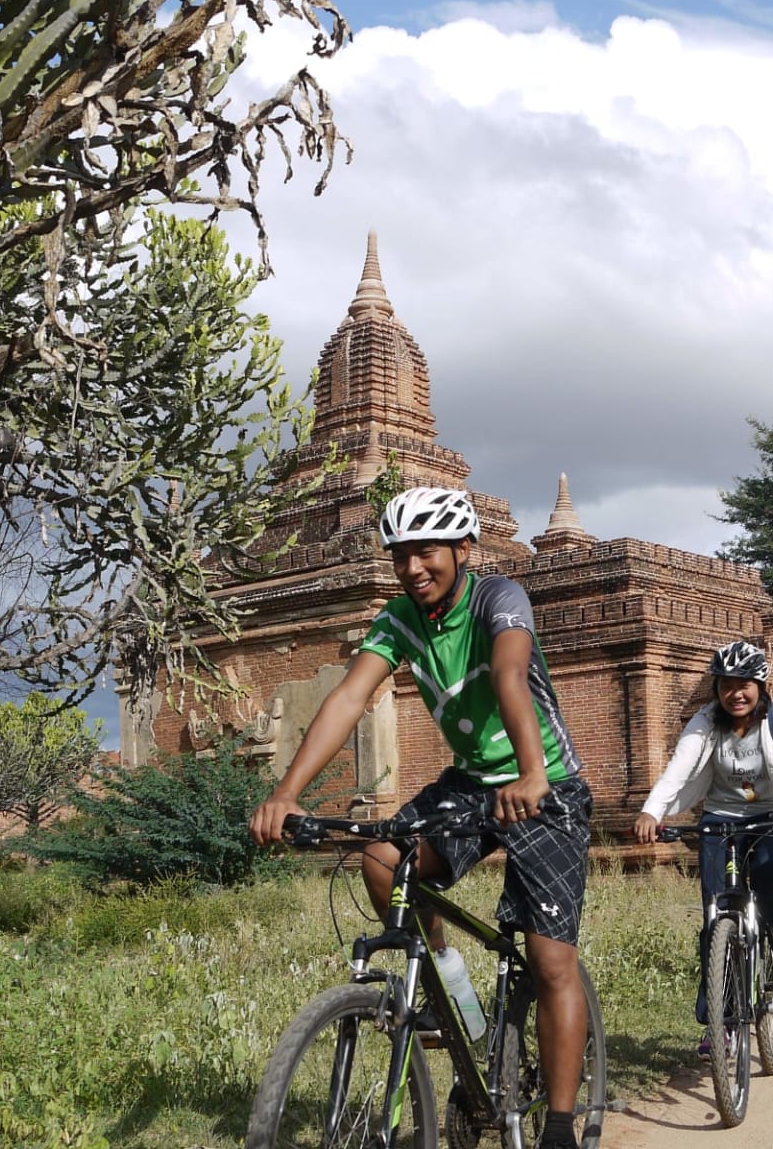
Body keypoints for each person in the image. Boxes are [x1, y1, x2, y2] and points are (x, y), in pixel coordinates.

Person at [250, 486, 593, 1149]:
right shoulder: (400, 618)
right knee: (383, 860)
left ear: (464, 550)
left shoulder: (499, 599)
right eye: (401, 555)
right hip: (470, 786)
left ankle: (557, 1126)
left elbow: (510, 674)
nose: (413, 568)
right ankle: (448, 993)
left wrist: (530, 774)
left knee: (551, 963)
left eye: (427, 551)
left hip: (545, 786)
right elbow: (351, 695)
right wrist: (286, 792)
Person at [631, 640, 773, 1055]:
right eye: (726, 685)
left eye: (745, 684)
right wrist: (653, 812)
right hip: (720, 819)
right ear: (716, 689)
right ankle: (720, 1024)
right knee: (714, 918)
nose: (736, 693)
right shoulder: (706, 720)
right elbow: (678, 769)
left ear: (761, 684)